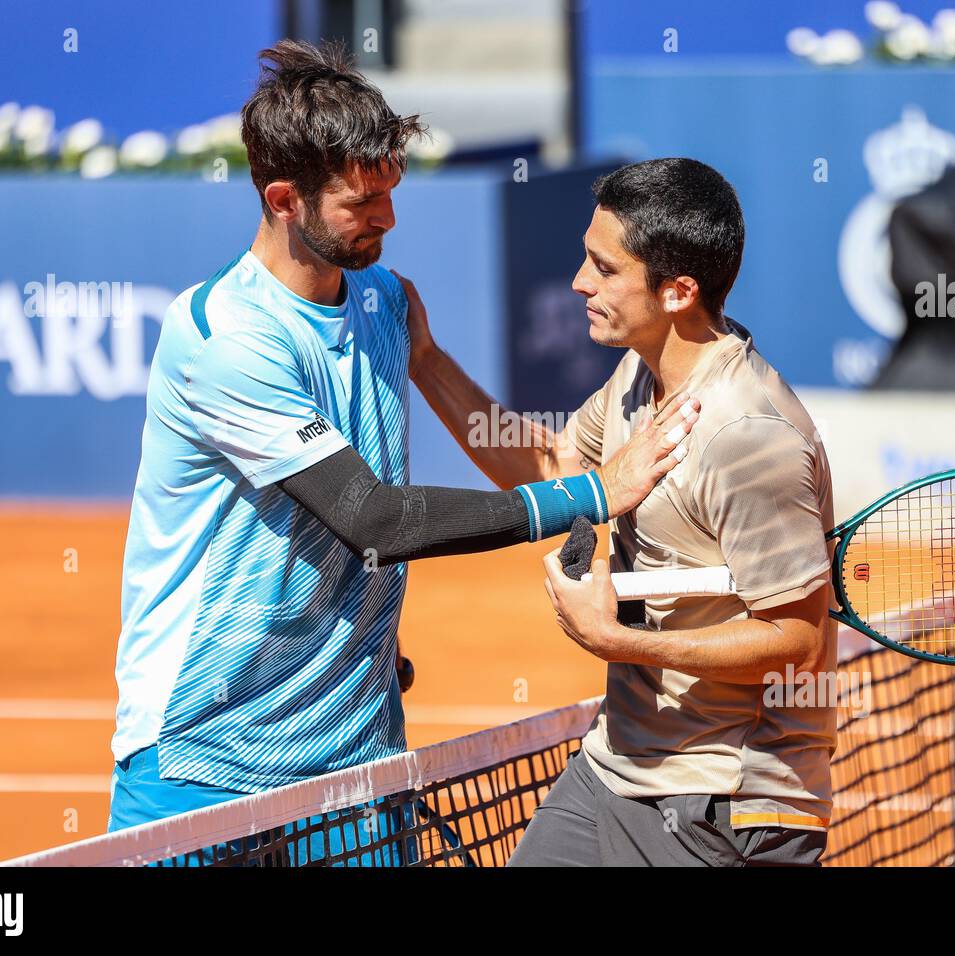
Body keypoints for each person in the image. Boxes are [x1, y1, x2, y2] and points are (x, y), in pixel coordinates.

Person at [107, 40, 696, 851]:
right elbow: (374, 517)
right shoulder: (224, 338)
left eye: (391, 191)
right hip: (201, 762)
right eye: (361, 204)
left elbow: (441, 403)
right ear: (283, 199)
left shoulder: (385, 300)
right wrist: (590, 495)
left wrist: (432, 362)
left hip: (356, 759)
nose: (387, 218)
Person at [404, 158, 836, 867]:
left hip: (727, 800)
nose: (578, 282)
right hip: (620, 768)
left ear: (677, 292)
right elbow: (553, 473)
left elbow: (794, 640)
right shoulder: (643, 372)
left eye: (603, 268)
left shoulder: (748, 436)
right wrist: (427, 361)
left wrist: (620, 642)